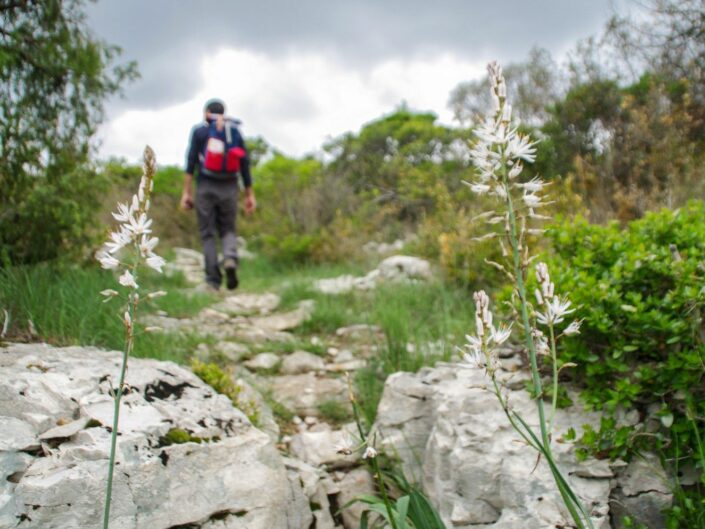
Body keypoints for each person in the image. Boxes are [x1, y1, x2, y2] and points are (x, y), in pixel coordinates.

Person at [181, 98, 256, 291]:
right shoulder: (235, 132)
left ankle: (213, 280)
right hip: (230, 186)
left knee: (207, 233)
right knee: (228, 229)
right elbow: (244, 165)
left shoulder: (200, 132)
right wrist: (249, 194)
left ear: (206, 114)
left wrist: (186, 192)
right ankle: (230, 258)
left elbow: (191, 162)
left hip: (206, 185)